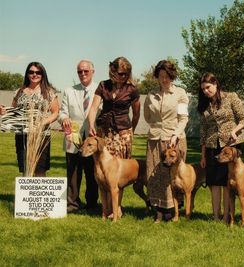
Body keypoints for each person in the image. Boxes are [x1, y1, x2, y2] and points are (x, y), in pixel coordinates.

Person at [88, 57, 140, 216]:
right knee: (102, 169)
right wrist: (91, 125)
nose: (123, 76)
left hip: (123, 133)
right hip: (105, 132)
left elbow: (136, 113)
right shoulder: (103, 85)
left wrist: (131, 130)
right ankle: (107, 208)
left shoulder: (132, 89)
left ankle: (117, 208)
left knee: (118, 172)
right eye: (120, 73)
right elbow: (94, 107)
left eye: (126, 74)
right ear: (113, 71)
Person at [198, 72, 244, 222]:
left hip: (231, 146)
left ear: (215, 84)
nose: (206, 91)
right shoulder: (205, 105)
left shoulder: (231, 97)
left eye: (208, 87)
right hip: (212, 146)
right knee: (214, 182)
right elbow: (203, 131)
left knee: (227, 183)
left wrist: (235, 131)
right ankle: (215, 216)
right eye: (203, 89)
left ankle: (227, 216)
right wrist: (203, 155)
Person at [144, 60, 189, 223]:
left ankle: (172, 210)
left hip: (173, 140)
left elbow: (183, 118)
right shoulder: (150, 96)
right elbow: (147, 117)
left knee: (173, 177)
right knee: (155, 176)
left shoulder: (180, 94)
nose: (164, 79)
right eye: (161, 76)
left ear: (172, 77)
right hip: (155, 140)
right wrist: (157, 127)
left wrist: (175, 134)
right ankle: (159, 211)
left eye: (167, 76)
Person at [0, 62, 59, 176]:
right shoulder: (19, 92)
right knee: (26, 170)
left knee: (40, 171)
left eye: (38, 72)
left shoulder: (49, 92)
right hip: (22, 136)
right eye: (31, 72)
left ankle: (39, 193)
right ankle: (26, 194)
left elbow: (55, 113)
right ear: (27, 74)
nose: (34, 74)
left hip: (41, 136)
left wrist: (42, 123)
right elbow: (14, 112)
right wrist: (3, 112)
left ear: (42, 74)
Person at [58, 60, 99, 213]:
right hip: (72, 139)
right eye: (79, 71)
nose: (82, 74)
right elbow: (62, 112)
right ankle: (72, 204)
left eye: (86, 71)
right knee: (73, 173)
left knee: (92, 173)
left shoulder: (100, 90)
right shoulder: (69, 91)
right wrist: (64, 119)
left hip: (91, 139)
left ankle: (92, 204)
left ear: (93, 72)